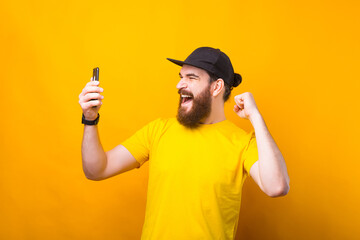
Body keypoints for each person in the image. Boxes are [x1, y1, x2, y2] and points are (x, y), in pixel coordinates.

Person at [78, 47, 290, 240]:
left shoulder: (242, 142)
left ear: (216, 87)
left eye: (191, 77)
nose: (180, 85)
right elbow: (97, 170)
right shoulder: (158, 130)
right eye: (181, 77)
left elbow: (276, 186)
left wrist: (255, 116)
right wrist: (90, 118)